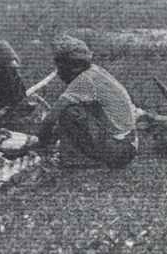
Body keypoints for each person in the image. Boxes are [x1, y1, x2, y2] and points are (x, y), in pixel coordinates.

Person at [34, 35, 138, 168]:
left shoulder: (84, 81)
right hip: (128, 145)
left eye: (59, 66)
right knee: (76, 110)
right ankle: (76, 154)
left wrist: (38, 142)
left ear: (69, 66)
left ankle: (81, 159)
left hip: (120, 150)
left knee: (69, 113)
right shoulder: (95, 71)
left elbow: (52, 117)